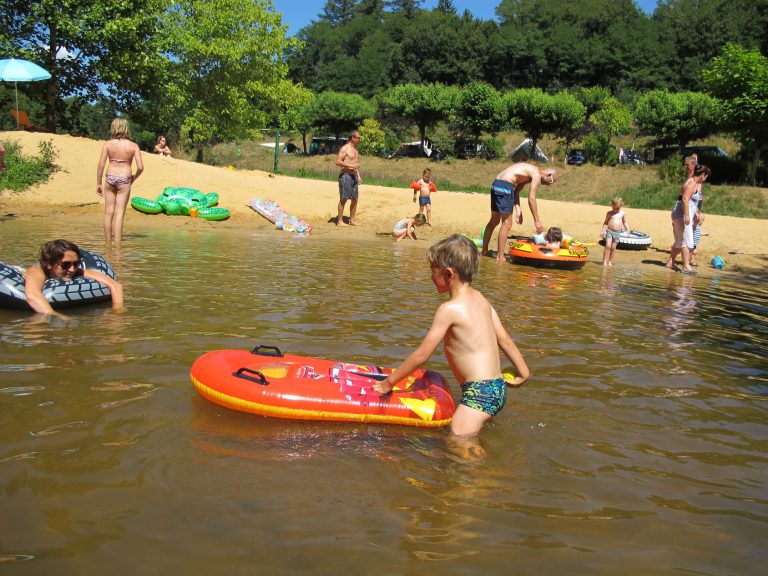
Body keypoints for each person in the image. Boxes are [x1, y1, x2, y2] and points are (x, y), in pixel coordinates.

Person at [373, 234, 530, 439]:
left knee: (458, 442)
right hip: (497, 387)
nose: (431, 277)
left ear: (448, 274)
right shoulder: (481, 299)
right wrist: (523, 371)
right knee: (471, 437)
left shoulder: (449, 310)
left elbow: (422, 355)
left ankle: (487, 472)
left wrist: (388, 383)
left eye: (433, 271)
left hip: (479, 393)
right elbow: (505, 340)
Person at [24, 239, 124, 320]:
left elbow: (115, 285)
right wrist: (56, 315)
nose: (71, 269)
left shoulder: (78, 271)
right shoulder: (37, 272)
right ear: (49, 264)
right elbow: (33, 295)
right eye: (65, 264)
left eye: (76, 264)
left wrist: (118, 309)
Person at [481, 163, 557, 262]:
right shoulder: (536, 174)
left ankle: (484, 251)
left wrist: (518, 210)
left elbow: (516, 192)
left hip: (497, 184)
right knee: (507, 224)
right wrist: (537, 222)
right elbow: (531, 198)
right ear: (548, 175)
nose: (548, 185)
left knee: (494, 221)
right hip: (505, 186)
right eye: (550, 182)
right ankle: (500, 257)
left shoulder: (527, 174)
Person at [97, 118, 144, 245]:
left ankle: (107, 244)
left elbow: (101, 165)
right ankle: (117, 246)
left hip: (110, 177)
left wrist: (99, 183)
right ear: (126, 128)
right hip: (125, 179)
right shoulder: (133, 146)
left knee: (108, 212)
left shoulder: (107, 144)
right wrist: (134, 177)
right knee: (119, 213)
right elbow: (140, 167)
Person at [666, 164, 710, 274]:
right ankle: (686, 266)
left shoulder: (690, 180)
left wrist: (695, 212)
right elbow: (685, 198)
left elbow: (688, 201)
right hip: (681, 215)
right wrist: (687, 215)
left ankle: (670, 262)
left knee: (679, 241)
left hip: (679, 214)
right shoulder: (692, 184)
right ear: (703, 175)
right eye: (706, 177)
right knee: (686, 241)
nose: (705, 179)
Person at [335, 130, 362, 226]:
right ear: (352, 138)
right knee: (344, 198)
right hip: (345, 176)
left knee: (355, 199)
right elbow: (338, 161)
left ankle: (352, 220)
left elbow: (355, 165)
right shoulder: (345, 148)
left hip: (354, 176)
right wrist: (350, 165)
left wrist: (358, 176)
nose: (360, 139)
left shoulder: (355, 150)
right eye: (358, 137)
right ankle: (340, 221)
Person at [600, 197, 630, 266]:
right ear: (611, 206)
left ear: (621, 206)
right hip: (610, 231)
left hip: (617, 233)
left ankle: (610, 261)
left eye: (617, 208)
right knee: (608, 246)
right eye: (614, 208)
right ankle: (605, 261)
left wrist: (628, 229)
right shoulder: (609, 213)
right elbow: (605, 223)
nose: (615, 210)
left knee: (613, 248)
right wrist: (603, 231)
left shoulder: (622, 213)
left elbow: (625, 222)